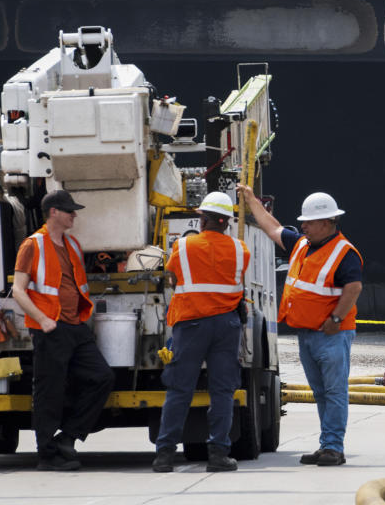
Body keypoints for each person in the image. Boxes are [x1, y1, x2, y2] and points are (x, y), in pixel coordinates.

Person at [238, 185, 362, 467]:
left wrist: (335, 320)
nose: (303, 225)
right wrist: (251, 201)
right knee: (321, 393)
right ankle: (327, 444)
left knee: (333, 391)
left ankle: (333, 447)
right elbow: (272, 228)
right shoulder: (302, 245)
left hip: (331, 335)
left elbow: (353, 288)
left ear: (327, 222)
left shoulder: (344, 253)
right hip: (308, 334)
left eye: (308, 221)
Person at [11, 190, 114, 471]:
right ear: (53, 212)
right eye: (70, 211)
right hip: (50, 328)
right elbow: (18, 291)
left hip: (75, 326)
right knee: (49, 391)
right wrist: (42, 319)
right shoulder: (32, 245)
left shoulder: (73, 245)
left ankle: (67, 437)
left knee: (102, 377)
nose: (74, 215)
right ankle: (46, 455)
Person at [152, 191, 250, 473]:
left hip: (192, 324)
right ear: (227, 222)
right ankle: (219, 454)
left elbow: (172, 277)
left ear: (203, 219)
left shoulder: (183, 247)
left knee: (180, 389)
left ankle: (164, 455)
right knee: (222, 390)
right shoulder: (240, 249)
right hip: (226, 326)